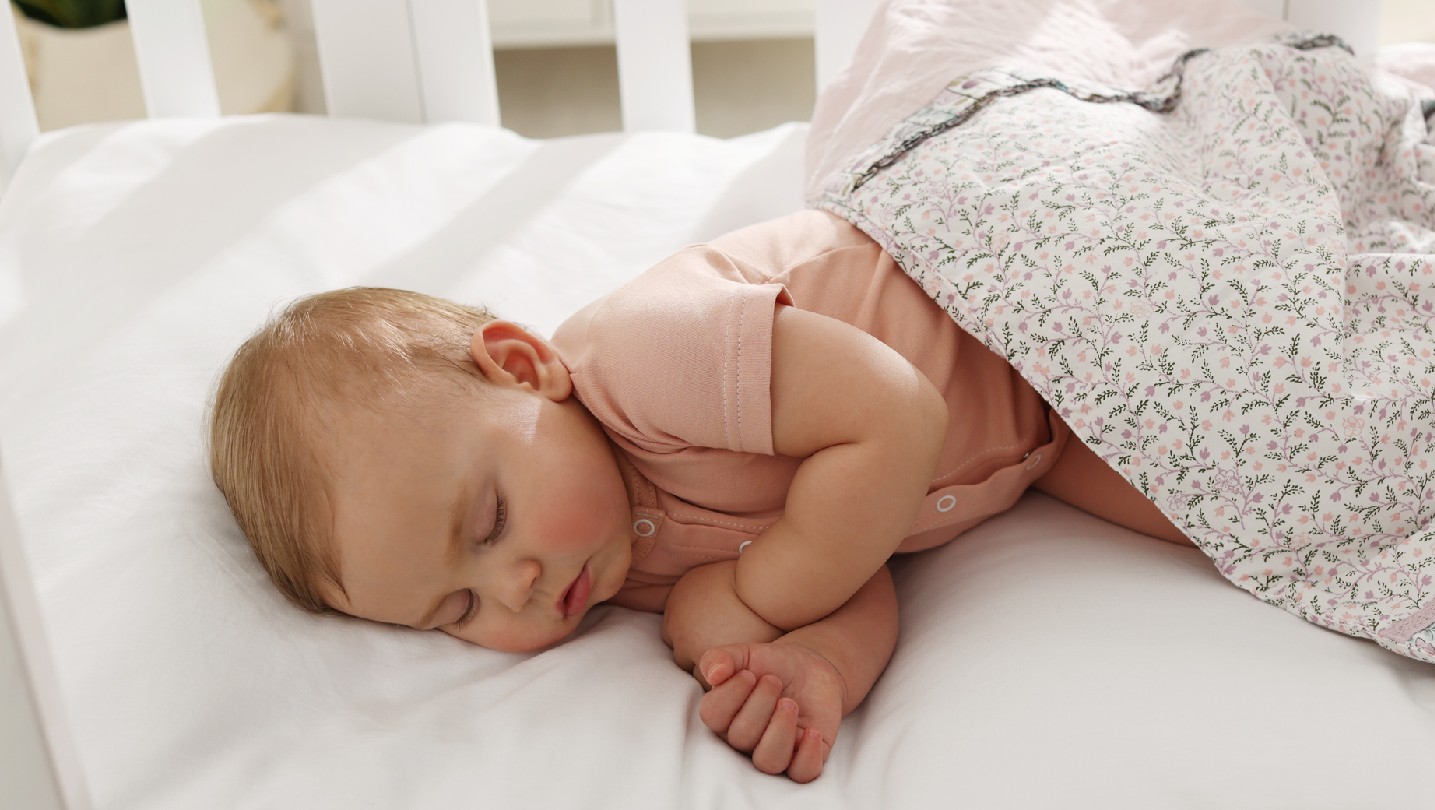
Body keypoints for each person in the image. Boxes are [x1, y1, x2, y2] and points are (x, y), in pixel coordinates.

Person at [208, 209, 1194, 783]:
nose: (511, 588)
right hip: (1050, 431)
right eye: (455, 611)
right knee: (1262, 525)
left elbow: (894, 416)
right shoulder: (623, 568)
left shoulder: (644, 359)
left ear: (522, 368)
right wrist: (815, 670)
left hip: (1011, 287)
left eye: (487, 522)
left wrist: (759, 598)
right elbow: (859, 555)